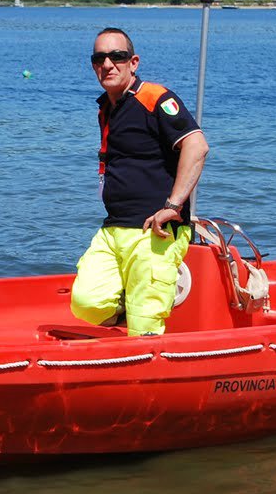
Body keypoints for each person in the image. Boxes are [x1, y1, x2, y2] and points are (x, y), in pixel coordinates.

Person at [70, 27, 209, 336]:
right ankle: (139, 308)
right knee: (86, 302)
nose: (107, 64)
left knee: (144, 325)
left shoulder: (155, 98)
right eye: (99, 58)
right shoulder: (107, 107)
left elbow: (196, 146)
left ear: (133, 62)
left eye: (116, 56)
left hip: (154, 232)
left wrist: (173, 206)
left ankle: (148, 317)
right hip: (113, 228)